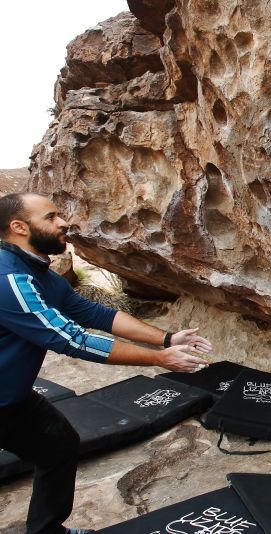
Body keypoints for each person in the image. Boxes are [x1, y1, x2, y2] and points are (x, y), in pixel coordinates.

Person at [0, 192, 212, 534]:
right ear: (19, 227)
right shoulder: (9, 279)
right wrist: (159, 359)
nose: (63, 222)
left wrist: (167, 339)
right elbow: (72, 339)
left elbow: (94, 313)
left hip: (13, 400)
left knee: (58, 445)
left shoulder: (42, 276)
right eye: (51, 217)